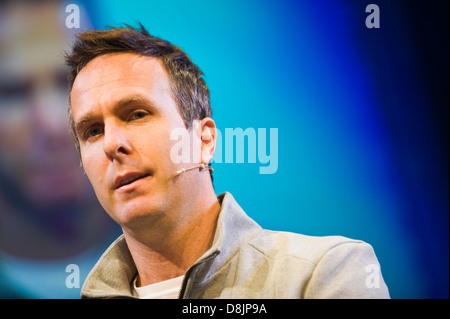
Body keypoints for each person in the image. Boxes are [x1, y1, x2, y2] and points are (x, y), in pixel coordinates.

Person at [66, 24, 390, 299]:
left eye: (137, 114)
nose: (112, 144)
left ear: (204, 140)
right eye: (93, 131)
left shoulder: (323, 272)